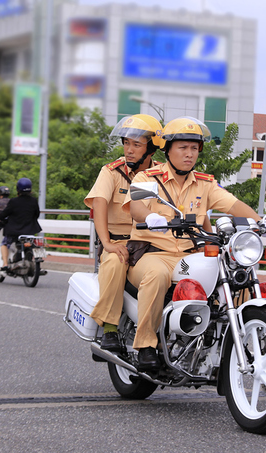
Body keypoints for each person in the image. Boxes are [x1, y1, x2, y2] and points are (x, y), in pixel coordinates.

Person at [122, 116, 266, 370]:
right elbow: (136, 205)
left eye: (194, 148)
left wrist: (262, 222)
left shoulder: (205, 183)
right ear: (167, 149)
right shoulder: (147, 178)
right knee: (156, 276)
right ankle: (145, 345)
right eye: (183, 147)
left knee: (234, 275)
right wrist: (150, 217)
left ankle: (229, 342)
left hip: (191, 253)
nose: (189, 154)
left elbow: (233, 204)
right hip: (153, 253)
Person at [84, 114, 164, 352]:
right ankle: (109, 328)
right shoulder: (111, 172)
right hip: (119, 242)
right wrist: (106, 243)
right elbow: (99, 203)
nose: (129, 150)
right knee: (116, 261)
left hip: (151, 244)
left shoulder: (161, 174)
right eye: (126, 143)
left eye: (136, 145)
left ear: (151, 149)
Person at [0, 177, 42, 270]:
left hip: (14, 231)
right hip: (30, 230)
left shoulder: (13, 201)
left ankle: (5, 264)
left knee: (4, 243)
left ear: (18, 189)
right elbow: (37, 214)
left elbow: (4, 214)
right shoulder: (34, 201)